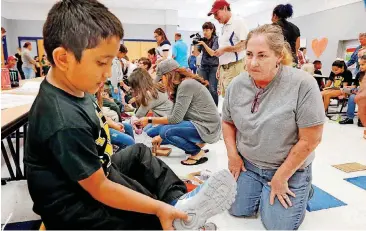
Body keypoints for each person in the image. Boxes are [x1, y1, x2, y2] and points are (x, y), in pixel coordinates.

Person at [23, 0, 236, 229]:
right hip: (75, 206)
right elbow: (102, 188)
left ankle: (179, 204)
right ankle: (173, 217)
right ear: (63, 58)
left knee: (139, 154)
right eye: (101, 63)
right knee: (150, 212)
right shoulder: (63, 119)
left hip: (94, 173)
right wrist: (155, 207)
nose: (107, 73)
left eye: (111, 62)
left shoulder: (76, 86)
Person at [222, 24, 324, 230]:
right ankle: (259, 188)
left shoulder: (302, 84)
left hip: (287, 168)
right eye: (249, 54)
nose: (252, 62)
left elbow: (311, 139)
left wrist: (281, 176)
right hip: (248, 165)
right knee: (236, 209)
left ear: (278, 55)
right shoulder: (237, 85)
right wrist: (232, 155)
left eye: (262, 55)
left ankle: (305, 188)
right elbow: (227, 121)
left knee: (277, 226)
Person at [136, 59, 221, 166]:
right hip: (199, 123)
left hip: (207, 127)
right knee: (155, 132)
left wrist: (148, 120)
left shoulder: (186, 85)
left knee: (164, 131)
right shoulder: (183, 85)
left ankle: (196, 152)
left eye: (162, 79)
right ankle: (197, 143)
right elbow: (176, 116)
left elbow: (175, 119)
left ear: (168, 76)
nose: (162, 83)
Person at [208, 0, 248, 97]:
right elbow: (223, 48)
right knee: (226, 99)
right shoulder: (224, 27)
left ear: (225, 8)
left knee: (236, 99)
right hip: (224, 69)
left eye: (216, 14)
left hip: (235, 68)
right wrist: (219, 66)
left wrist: (225, 49)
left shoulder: (238, 22)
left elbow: (245, 44)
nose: (215, 18)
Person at [129, 68, 173, 155]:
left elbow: (139, 115)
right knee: (145, 130)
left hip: (166, 122)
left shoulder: (149, 94)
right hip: (167, 119)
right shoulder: (156, 86)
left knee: (147, 134)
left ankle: (172, 137)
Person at [197, 22, 220, 106]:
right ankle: (205, 108)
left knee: (212, 89)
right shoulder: (203, 39)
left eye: (207, 30)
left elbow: (212, 53)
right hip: (203, 67)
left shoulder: (216, 39)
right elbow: (196, 53)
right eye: (203, 30)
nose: (205, 32)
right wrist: (197, 43)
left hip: (213, 67)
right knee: (203, 88)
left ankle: (214, 109)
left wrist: (203, 44)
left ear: (212, 30)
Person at [339, 55, 366, 127]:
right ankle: (350, 118)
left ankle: (361, 119)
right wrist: (348, 87)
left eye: (363, 65)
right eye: (360, 65)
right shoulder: (359, 74)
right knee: (351, 97)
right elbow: (355, 85)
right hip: (359, 91)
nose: (360, 67)